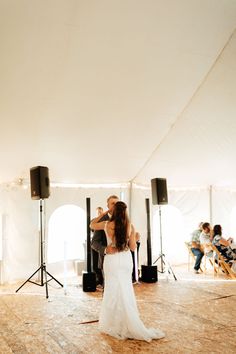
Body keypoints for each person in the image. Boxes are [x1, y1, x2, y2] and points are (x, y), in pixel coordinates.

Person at [90, 201, 165, 342]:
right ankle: (128, 321)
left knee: (112, 290)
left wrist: (105, 212)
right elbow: (132, 248)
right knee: (125, 289)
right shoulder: (130, 226)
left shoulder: (107, 224)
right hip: (125, 260)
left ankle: (113, 323)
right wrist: (135, 238)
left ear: (114, 211)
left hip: (111, 260)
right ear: (125, 212)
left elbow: (92, 224)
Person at [91, 195, 119, 287]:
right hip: (107, 260)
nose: (115, 205)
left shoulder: (122, 219)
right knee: (109, 288)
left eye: (117, 203)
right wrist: (106, 250)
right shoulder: (102, 221)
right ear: (108, 206)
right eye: (113, 203)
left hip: (121, 260)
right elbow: (94, 243)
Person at [91, 207, 104, 284]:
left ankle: (102, 280)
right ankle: (98, 279)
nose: (99, 213)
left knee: (101, 263)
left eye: (100, 212)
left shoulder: (105, 220)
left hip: (102, 245)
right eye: (98, 212)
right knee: (95, 263)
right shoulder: (93, 221)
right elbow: (92, 229)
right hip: (95, 244)